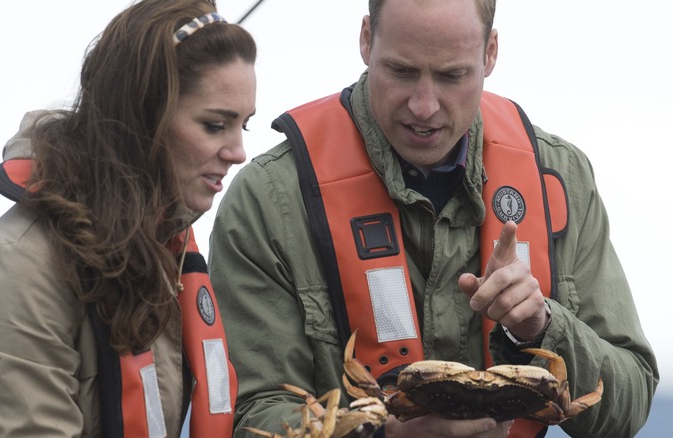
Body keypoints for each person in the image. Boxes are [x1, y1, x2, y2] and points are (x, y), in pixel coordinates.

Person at [208, 0, 658, 437]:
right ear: (366, 40)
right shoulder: (269, 200)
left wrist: (541, 326)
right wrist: (378, 435)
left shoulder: (560, 180)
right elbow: (250, 416)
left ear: (490, 53)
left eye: (451, 76)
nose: (424, 106)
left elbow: (629, 405)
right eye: (401, 71)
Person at [0, 0, 256, 436]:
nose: (237, 152)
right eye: (213, 125)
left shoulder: (155, 249)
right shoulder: (15, 270)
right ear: (142, 118)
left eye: (244, 125)